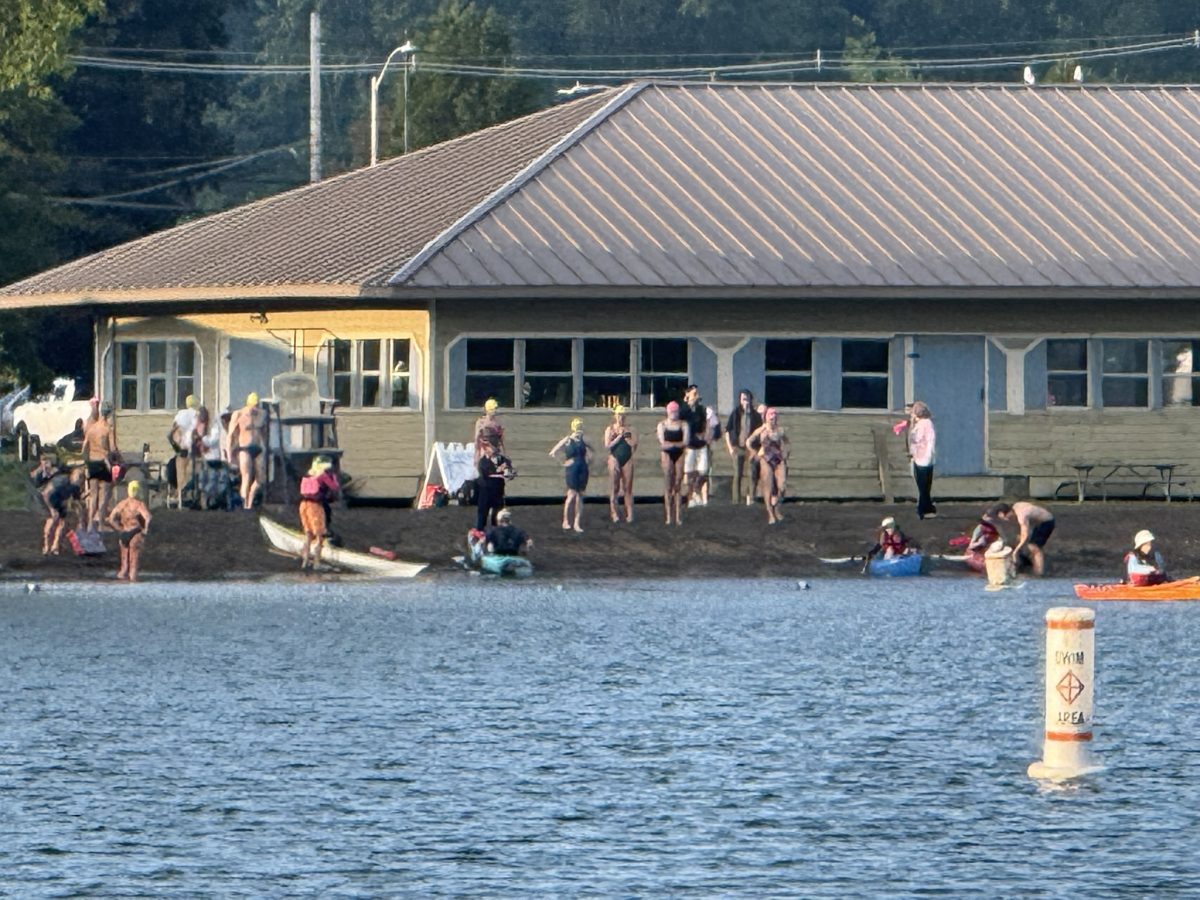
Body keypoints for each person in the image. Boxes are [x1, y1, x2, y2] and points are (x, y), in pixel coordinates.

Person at [989, 501, 1055, 576]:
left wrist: (1016, 551)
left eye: (1001, 517)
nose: (1003, 520)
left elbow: (1025, 535)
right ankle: (1026, 565)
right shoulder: (1015, 506)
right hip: (1037, 523)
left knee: (1033, 547)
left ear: (1002, 514)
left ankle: (1038, 573)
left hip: (1047, 522)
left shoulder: (1021, 516)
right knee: (1021, 541)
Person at [81, 401, 119, 531]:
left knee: (93, 495)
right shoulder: (108, 429)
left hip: (92, 462)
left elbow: (84, 448)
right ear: (109, 414)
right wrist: (118, 461)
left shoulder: (91, 428)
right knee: (104, 495)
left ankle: (91, 524)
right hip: (104, 462)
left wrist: (86, 462)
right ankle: (101, 524)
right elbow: (113, 449)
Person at [749, 407, 790, 525]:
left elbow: (787, 443)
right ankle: (770, 513)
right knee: (767, 485)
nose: (773, 420)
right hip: (766, 459)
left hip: (778, 459)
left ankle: (776, 508)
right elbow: (748, 442)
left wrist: (786, 453)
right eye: (771, 418)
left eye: (774, 418)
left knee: (782, 485)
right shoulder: (761, 430)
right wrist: (755, 453)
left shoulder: (780, 431)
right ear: (766, 418)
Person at [550, 418, 591, 533]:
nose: (579, 428)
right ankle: (566, 521)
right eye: (577, 426)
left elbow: (593, 451)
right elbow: (553, 452)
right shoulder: (568, 440)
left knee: (580, 495)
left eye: (580, 426)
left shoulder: (584, 440)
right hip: (572, 469)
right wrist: (563, 463)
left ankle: (577, 523)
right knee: (571, 494)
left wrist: (589, 461)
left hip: (582, 468)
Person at [227, 392, 267, 511]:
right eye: (253, 406)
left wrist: (266, 447)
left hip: (258, 448)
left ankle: (250, 500)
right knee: (246, 476)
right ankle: (244, 504)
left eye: (257, 406)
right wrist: (229, 454)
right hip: (244, 447)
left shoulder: (262, 414)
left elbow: (264, 432)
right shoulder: (238, 414)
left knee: (261, 479)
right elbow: (230, 435)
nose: (254, 409)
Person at [298, 457, 340, 570]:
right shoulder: (323, 476)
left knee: (308, 533)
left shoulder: (307, 475)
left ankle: (305, 562)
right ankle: (316, 563)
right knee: (319, 535)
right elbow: (334, 487)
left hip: (303, 505)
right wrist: (334, 478)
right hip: (315, 506)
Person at [107, 480, 151, 582]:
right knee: (134, 561)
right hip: (135, 532)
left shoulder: (122, 504)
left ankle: (123, 583)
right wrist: (145, 530)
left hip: (124, 532)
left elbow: (111, 518)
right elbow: (148, 517)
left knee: (124, 565)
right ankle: (133, 581)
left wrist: (119, 528)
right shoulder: (139, 504)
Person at [725, 389, 763, 506]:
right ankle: (736, 500)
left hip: (751, 448)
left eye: (747, 399)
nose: (745, 401)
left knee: (752, 472)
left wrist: (758, 449)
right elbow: (727, 430)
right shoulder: (736, 413)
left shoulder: (756, 415)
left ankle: (751, 498)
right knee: (738, 474)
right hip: (738, 447)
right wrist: (730, 447)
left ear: (750, 400)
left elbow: (760, 432)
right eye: (743, 399)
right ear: (740, 400)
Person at [657, 401, 690, 526]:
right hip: (667, 454)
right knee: (668, 484)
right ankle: (668, 516)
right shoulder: (662, 425)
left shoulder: (683, 424)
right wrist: (675, 444)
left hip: (679, 453)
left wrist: (673, 444)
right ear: (667, 412)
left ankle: (677, 516)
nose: (673, 414)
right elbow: (662, 443)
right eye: (671, 411)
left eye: (675, 411)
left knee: (678, 484)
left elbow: (685, 442)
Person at [603, 405, 637, 523]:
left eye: (622, 415)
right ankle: (614, 513)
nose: (620, 418)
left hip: (627, 458)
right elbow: (607, 446)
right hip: (614, 458)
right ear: (615, 416)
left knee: (628, 488)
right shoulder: (610, 429)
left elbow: (634, 445)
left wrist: (627, 438)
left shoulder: (630, 429)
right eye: (618, 415)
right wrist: (618, 437)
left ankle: (630, 513)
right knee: (615, 487)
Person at [40, 466, 85, 556]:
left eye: (81, 477)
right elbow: (47, 493)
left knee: (64, 522)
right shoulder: (62, 480)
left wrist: (81, 519)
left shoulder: (76, 487)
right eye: (78, 476)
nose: (79, 479)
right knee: (53, 519)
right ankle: (46, 546)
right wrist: (52, 510)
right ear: (73, 475)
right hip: (49, 498)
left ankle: (55, 546)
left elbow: (78, 504)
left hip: (60, 501)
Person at [167, 394, 200, 505]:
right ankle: (194, 497)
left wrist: (175, 445)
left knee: (181, 473)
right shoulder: (197, 414)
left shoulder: (180, 414)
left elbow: (173, 430)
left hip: (182, 448)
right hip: (194, 448)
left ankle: (181, 497)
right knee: (195, 472)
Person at [475, 439, 513, 531]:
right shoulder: (483, 461)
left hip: (498, 491)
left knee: (497, 515)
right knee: (482, 514)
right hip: (486, 492)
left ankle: (498, 534)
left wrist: (508, 473)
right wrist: (499, 470)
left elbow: (509, 473)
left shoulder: (504, 460)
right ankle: (479, 533)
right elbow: (485, 474)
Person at [908, 401, 937, 520]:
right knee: (924, 485)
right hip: (919, 457)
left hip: (923, 458)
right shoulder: (919, 424)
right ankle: (927, 508)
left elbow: (930, 440)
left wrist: (929, 454)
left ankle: (922, 509)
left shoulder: (926, 424)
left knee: (923, 485)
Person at [681, 385, 708, 507]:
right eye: (694, 393)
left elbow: (704, 424)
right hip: (689, 445)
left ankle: (697, 491)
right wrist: (689, 405)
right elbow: (680, 422)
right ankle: (690, 496)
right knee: (689, 473)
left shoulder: (701, 409)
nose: (696, 396)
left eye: (697, 393)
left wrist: (704, 435)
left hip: (701, 444)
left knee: (702, 471)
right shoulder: (684, 409)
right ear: (688, 394)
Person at [474, 398, 505, 468]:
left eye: (496, 409)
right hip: (485, 450)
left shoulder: (497, 424)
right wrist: (476, 456)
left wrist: (503, 454)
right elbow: (477, 439)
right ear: (489, 410)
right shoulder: (481, 422)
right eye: (494, 409)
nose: (496, 411)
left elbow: (501, 440)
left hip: (495, 451)